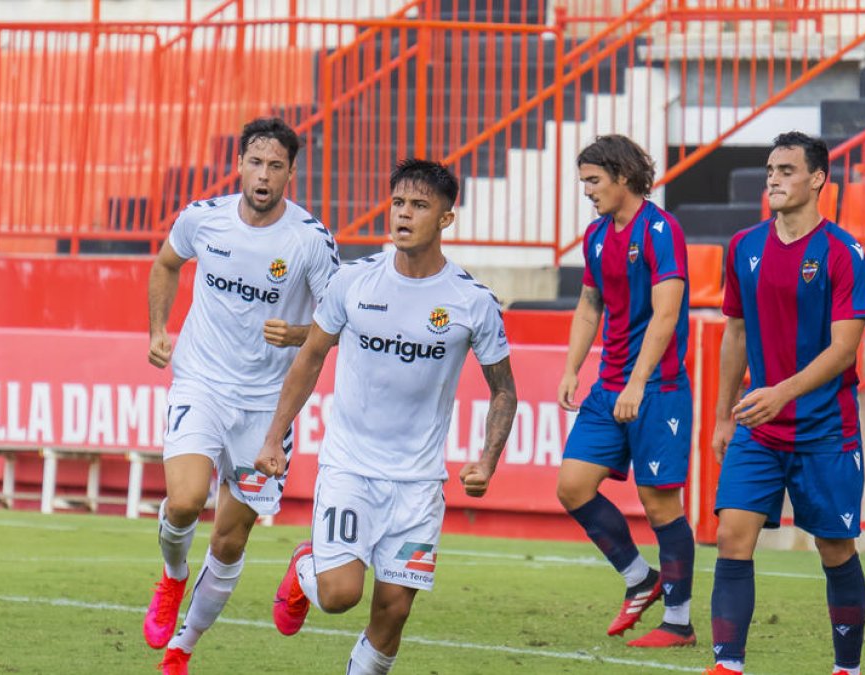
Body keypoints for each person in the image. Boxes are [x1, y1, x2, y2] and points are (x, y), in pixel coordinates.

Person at [254, 158, 518, 675]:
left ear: (446, 218)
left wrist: (487, 461)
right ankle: (307, 566)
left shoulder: (471, 302)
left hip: (418, 483)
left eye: (419, 205)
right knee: (339, 595)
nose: (403, 214)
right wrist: (273, 437)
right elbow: (310, 357)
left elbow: (504, 390)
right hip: (350, 468)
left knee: (392, 613)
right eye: (398, 202)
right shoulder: (353, 282)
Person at [143, 117, 338, 674]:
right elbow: (166, 263)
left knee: (229, 542)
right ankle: (174, 577)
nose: (264, 175)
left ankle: (183, 646)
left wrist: (298, 333)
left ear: (291, 174)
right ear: (240, 165)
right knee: (183, 501)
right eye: (256, 162)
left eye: (276, 166)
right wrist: (158, 328)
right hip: (202, 382)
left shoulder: (310, 240)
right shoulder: (204, 219)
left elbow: (334, 322)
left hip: (266, 408)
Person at [704, 132, 865, 675]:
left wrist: (782, 392)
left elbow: (845, 349)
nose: (772, 179)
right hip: (758, 426)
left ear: (818, 178)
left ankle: (847, 667)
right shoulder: (744, 246)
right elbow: (734, 333)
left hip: (825, 429)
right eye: (769, 169)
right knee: (732, 535)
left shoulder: (842, 252)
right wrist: (722, 416)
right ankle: (728, 665)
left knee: (834, 549)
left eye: (786, 170)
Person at [555, 134, 697, 647]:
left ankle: (678, 621)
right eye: (584, 181)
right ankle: (640, 579)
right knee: (572, 486)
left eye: (593, 180)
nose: (587, 190)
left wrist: (638, 382)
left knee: (660, 505)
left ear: (622, 176)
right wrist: (573, 369)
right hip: (608, 386)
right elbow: (590, 303)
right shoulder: (596, 235)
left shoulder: (662, 231)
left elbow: (667, 312)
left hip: (656, 387)